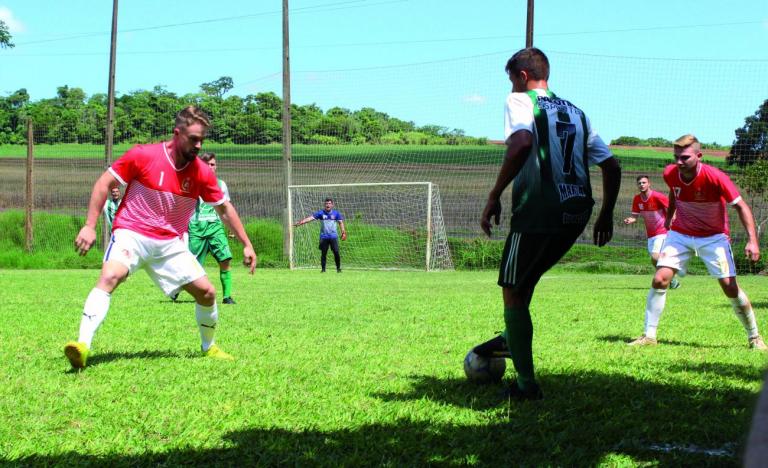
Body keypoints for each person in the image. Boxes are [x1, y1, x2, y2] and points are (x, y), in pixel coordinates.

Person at [476, 47, 621, 401]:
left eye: (512, 79)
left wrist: (495, 194)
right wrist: (605, 214)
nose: (511, 87)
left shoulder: (520, 101)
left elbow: (521, 143)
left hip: (538, 209)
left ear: (523, 76)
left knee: (512, 290)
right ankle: (511, 339)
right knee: (526, 281)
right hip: (577, 212)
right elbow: (612, 165)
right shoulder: (577, 112)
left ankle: (526, 386)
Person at [64, 106, 257, 369]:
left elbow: (224, 208)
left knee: (207, 293)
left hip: (169, 243)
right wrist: (89, 225)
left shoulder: (201, 172)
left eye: (202, 140)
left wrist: (247, 244)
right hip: (132, 233)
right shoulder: (143, 155)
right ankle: (82, 346)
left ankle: (209, 347)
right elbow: (103, 183)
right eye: (193, 139)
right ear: (177, 134)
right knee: (110, 276)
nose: (199, 146)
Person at [629, 134, 766, 349]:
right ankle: (649, 336)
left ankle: (754, 337)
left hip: (714, 237)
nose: (679, 162)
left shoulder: (716, 177)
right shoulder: (670, 173)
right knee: (660, 279)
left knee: (730, 288)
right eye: (676, 157)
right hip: (680, 234)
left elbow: (741, 206)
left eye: (684, 157)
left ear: (699, 156)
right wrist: (670, 217)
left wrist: (752, 240)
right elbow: (674, 193)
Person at [186, 152, 237, 304]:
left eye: (212, 164)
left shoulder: (221, 185)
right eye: (206, 164)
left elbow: (226, 208)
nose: (210, 167)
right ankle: (176, 290)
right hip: (197, 228)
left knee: (225, 259)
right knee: (191, 266)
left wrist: (231, 228)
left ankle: (227, 296)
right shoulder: (191, 183)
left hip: (215, 228)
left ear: (216, 166)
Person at [623, 175, 680, 289]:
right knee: (655, 261)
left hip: (662, 232)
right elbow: (635, 216)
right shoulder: (637, 199)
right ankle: (672, 279)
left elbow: (672, 208)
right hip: (651, 235)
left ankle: (672, 271)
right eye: (639, 183)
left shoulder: (657, 196)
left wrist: (672, 219)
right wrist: (630, 219)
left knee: (655, 257)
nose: (641, 185)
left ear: (649, 184)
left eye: (644, 182)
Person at [294, 198, 347, 272]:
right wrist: (300, 223)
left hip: (333, 237)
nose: (328, 205)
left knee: (336, 252)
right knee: (323, 253)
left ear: (332, 205)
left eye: (329, 203)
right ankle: (323, 270)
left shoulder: (336, 213)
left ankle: (338, 269)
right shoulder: (321, 213)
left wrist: (343, 232)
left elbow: (340, 223)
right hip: (324, 237)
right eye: (326, 203)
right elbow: (310, 218)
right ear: (324, 205)